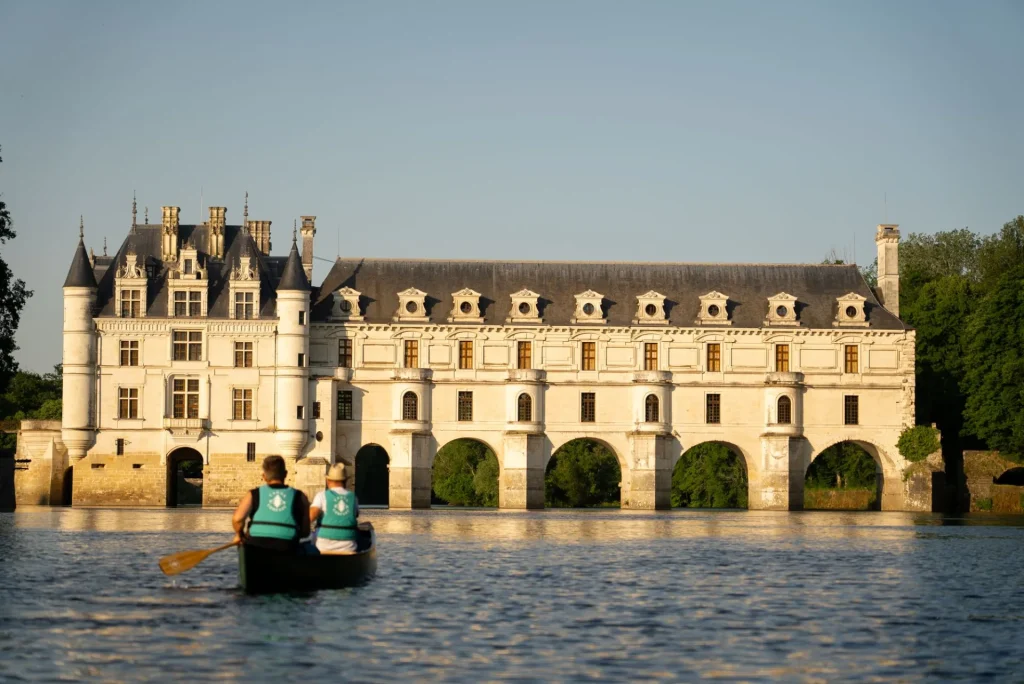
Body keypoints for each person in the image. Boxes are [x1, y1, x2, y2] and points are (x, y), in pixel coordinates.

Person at [232, 455, 311, 553]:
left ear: (264, 477)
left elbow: (237, 519)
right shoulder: (300, 496)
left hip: (256, 545)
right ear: (285, 474)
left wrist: (239, 535)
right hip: (287, 546)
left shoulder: (253, 494)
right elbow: (305, 532)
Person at [309, 463, 360, 553]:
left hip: (323, 546)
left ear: (328, 480)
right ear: (345, 481)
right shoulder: (353, 497)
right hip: (348, 547)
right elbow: (355, 514)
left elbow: (310, 518)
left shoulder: (321, 496)